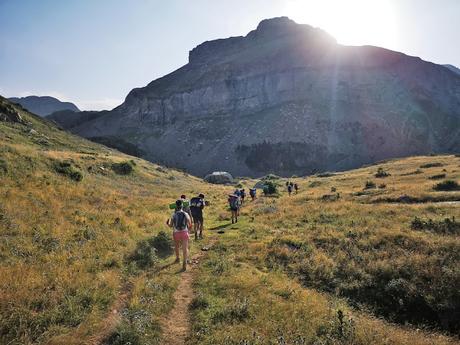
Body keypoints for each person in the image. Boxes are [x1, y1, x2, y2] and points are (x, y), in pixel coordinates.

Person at [166, 199, 192, 271]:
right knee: (185, 248)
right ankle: (184, 262)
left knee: (176, 246)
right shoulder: (186, 214)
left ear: (176, 206)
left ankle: (177, 258)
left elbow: (171, 225)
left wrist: (167, 223)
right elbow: (190, 224)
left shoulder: (173, 214)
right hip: (184, 232)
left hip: (176, 233)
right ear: (182, 206)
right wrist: (188, 231)